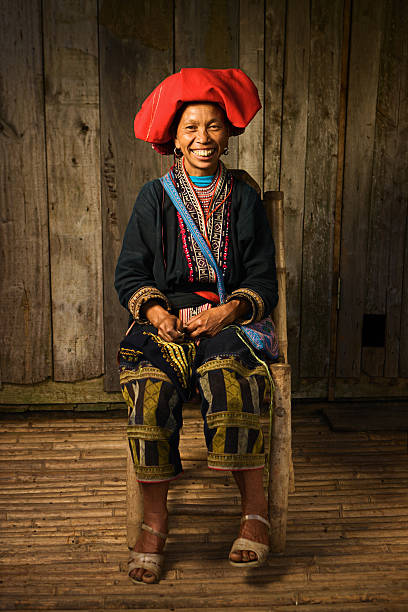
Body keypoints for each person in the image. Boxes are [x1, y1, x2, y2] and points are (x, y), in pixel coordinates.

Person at [115, 68, 279, 584]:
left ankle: (255, 515)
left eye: (213, 127)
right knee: (148, 386)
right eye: (191, 128)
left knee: (232, 378)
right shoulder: (153, 197)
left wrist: (229, 311)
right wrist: (158, 313)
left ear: (228, 132)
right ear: (174, 138)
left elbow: (261, 278)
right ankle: (156, 521)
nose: (203, 139)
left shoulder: (244, 198)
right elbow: (131, 272)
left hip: (227, 317)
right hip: (166, 320)